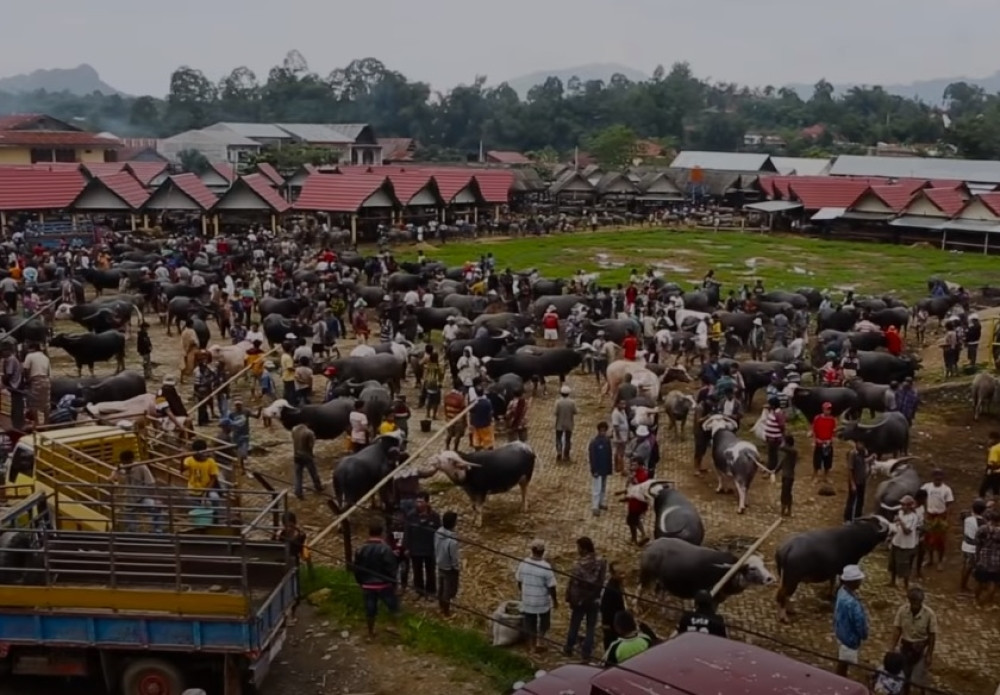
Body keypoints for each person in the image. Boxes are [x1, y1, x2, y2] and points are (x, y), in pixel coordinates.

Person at [352, 522, 400, 637]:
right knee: (393, 606)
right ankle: (395, 628)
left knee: (370, 609)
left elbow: (357, 568)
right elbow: (391, 568)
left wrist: (360, 582)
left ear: (369, 532)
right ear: (381, 533)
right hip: (384, 584)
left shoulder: (361, 549)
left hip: (367, 585)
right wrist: (393, 582)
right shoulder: (385, 549)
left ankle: (370, 631)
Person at [563, 537, 607, 661]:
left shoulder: (577, 566)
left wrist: (570, 599)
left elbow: (573, 585)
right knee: (590, 627)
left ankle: (569, 648)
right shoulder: (601, 562)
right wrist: (596, 595)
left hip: (579, 600)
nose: (577, 550)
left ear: (583, 549)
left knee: (574, 624)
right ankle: (586, 653)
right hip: (593, 599)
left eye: (578, 548)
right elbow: (601, 581)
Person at [890, 587, 938, 688]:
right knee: (903, 676)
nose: (916, 604)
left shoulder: (929, 614)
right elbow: (897, 629)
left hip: (920, 649)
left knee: (917, 680)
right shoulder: (902, 611)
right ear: (909, 600)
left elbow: (932, 635)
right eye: (914, 601)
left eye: (919, 601)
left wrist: (929, 654)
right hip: (905, 647)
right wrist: (892, 647)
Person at [515, 539, 557, 654]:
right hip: (542, 601)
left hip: (528, 599)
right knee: (544, 621)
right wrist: (555, 601)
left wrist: (523, 592)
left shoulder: (524, 563)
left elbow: (519, 580)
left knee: (530, 622)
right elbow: (552, 586)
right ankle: (540, 640)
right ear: (543, 551)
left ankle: (531, 645)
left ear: (532, 550)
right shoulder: (546, 566)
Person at [111, 450, 162, 534]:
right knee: (130, 522)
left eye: (127, 462)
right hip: (127, 500)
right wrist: (117, 470)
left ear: (132, 460)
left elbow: (151, 483)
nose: (126, 464)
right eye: (124, 462)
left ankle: (157, 530)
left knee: (156, 507)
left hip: (141, 498)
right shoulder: (120, 468)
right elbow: (111, 479)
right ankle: (133, 533)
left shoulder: (141, 467)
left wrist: (156, 499)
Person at [833, 564, 868, 677]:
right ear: (853, 582)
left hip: (840, 631)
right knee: (844, 662)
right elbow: (859, 623)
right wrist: (864, 634)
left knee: (843, 658)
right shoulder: (852, 604)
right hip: (849, 637)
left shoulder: (841, 591)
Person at [404, 492, 440, 599]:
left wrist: (438, 548)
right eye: (417, 501)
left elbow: (439, 533)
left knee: (430, 571)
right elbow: (407, 532)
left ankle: (431, 592)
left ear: (427, 502)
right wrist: (406, 547)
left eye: (421, 501)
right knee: (417, 571)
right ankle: (419, 591)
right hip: (416, 549)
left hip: (430, 549)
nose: (418, 504)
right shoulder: (411, 515)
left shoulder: (434, 516)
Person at [920, 468, 954, 570]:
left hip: (940, 517)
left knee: (940, 541)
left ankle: (940, 561)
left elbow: (949, 504)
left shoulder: (946, 489)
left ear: (942, 477)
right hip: (929, 516)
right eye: (936, 476)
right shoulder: (927, 487)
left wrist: (946, 518)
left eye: (940, 476)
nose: (938, 478)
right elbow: (921, 496)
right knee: (928, 539)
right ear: (932, 477)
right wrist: (923, 511)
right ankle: (930, 559)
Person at [888, 495, 919, 590]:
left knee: (904, 565)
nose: (902, 506)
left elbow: (907, 531)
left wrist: (900, 522)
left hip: (906, 545)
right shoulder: (900, 512)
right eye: (902, 504)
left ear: (910, 506)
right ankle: (892, 581)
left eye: (904, 505)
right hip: (897, 541)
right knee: (893, 563)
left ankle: (906, 585)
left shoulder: (913, 517)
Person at [434, 510, 460, 616]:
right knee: (448, 589)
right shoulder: (452, 540)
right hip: (449, 568)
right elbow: (453, 556)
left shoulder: (437, 532)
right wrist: (456, 567)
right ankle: (446, 610)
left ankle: (440, 605)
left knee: (441, 585)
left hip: (439, 562)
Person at [181, 438, 221, 504]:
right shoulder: (189, 460)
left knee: (214, 498)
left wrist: (206, 491)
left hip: (207, 488)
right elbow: (182, 470)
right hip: (193, 489)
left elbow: (213, 478)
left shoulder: (210, 462)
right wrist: (182, 457)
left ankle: (215, 512)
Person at [961, 498, 988, 593]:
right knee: (970, 567)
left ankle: (963, 584)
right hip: (974, 548)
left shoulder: (967, 519)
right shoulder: (983, 522)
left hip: (965, 545)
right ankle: (964, 585)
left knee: (966, 565)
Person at [974, 508, 1000, 605]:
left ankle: (976, 600)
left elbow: (977, 543)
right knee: (993, 582)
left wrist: (977, 558)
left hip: (983, 559)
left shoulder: (982, 529)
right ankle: (987, 602)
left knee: (980, 582)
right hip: (996, 562)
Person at [291, 423, 323, 499]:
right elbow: (310, 446)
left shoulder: (294, 430)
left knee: (298, 475)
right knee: (313, 472)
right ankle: (318, 487)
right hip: (307, 456)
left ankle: (298, 492)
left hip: (296, 455)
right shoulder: (309, 433)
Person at [599, 563, 626, 652]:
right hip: (612, 624)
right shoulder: (610, 590)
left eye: (623, 573)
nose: (623, 576)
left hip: (619, 622)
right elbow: (604, 607)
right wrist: (606, 624)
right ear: (613, 574)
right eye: (620, 574)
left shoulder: (618, 585)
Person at [844, 440, 873, 523]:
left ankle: (858, 517)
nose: (862, 446)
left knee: (861, 500)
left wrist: (870, 459)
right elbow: (850, 469)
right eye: (860, 443)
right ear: (856, 443)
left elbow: (863, 462)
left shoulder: (863, 452)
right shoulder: (852, 454)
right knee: (852, 500)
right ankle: (847, 518)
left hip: (862, 480)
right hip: (855, 480)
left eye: (863, 444)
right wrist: (852, 483)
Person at [23, 341, 50, 425]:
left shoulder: (30, 356)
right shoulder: (45, 357)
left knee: (33, 403)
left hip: (35, 380)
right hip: (46, 380)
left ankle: (37, 423)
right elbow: (48, 372)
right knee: (46, 403)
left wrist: (27, 380)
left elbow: (26, 369)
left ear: (32, 348)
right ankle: (46, 423)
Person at [589, 422, 613, 516]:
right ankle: (595, 506)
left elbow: (609, 456)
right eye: (601, 430)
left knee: (603, 487)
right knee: (596, 488)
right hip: (598, 469)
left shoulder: (607, 441)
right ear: (598, 431)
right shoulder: (594, 442)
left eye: (604, 430)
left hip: (605, 468)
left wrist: (609, 469)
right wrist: (594, 470)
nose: (603, 432)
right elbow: (592, 458)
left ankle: (601, 502)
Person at [810, 401, 836, 483]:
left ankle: (826, 476)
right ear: (823, 409)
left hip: (828, 444)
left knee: (828, 461)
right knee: (817, 461)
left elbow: (834, 432)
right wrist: (815, 439)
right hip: (819, 443)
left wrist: (831, 440)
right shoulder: (817, 418)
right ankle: (815, 476)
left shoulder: (832, 420)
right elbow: (813, 430)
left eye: (829, 409)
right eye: (827, 409)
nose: (828, 411)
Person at [554, 385, 577, 462]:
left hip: (559, 423)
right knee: (568, 439)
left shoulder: (558, 402)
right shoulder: (572, 402)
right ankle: (566, 454)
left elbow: (555, 412)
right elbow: (575, 412)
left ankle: (559, 451)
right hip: (569, 423)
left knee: (558, 438)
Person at [778, 433, 797, 517]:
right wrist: (774, 471)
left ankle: (786, 510)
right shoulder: (787, 453)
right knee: (785, 493)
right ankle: (785, 510)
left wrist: (781, 443)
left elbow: (782, 447)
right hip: (786, 476)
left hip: (789, 476)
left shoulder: (793, 452)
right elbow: (781, 464)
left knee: (786, 493)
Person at [981, 431, 1000, 499]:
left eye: (990, 439)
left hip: (993, 471)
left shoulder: (994, 449)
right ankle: (996, 505)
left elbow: (993, 462)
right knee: (996, 490)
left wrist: (990, 471)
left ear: (995, 439)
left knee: (982, 490)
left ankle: (980, 506)